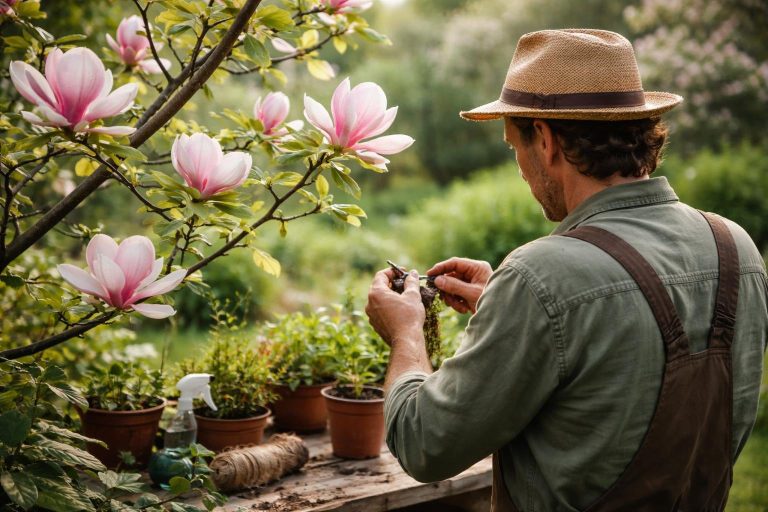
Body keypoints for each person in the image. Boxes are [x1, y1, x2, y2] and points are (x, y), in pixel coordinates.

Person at [365, 29, 767, 511]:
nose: (519, 166)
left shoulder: (542, 278)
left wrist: (406, 333)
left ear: (547, 139)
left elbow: (424, 443)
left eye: (514, 144)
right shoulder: (737, 249)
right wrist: (513, 306)